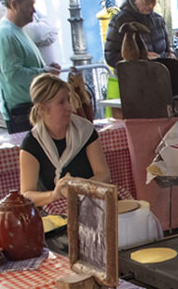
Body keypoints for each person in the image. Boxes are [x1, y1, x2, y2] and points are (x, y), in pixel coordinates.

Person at [19, 74, 110, 208]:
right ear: (42, 108)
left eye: (68, 99)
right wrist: (54, 194)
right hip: (52, 210)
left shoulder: (84, 130)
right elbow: (27, 194)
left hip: (89, 202)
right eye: (61, 102)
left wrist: (78, 186)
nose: (70, 107)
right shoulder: (32, 144)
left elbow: (103, 174)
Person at [0, 0, 61, 133]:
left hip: (32, 108)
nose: (34, 11)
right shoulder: (6, 34)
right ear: (14, 5)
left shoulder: (17, 31)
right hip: (21, 113)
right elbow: (14, 74)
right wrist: (44, 72)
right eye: (29, 6)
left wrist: (46, 69)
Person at [104, 0, 177, 67]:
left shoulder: (159, 20)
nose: (150, 6)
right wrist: (141, 57)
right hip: (134, 78)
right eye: (146, 2)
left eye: (153, 2)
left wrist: (172, 55)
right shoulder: (119, 21)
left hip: (159, 76)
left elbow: (168, 48)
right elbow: (110, 56)